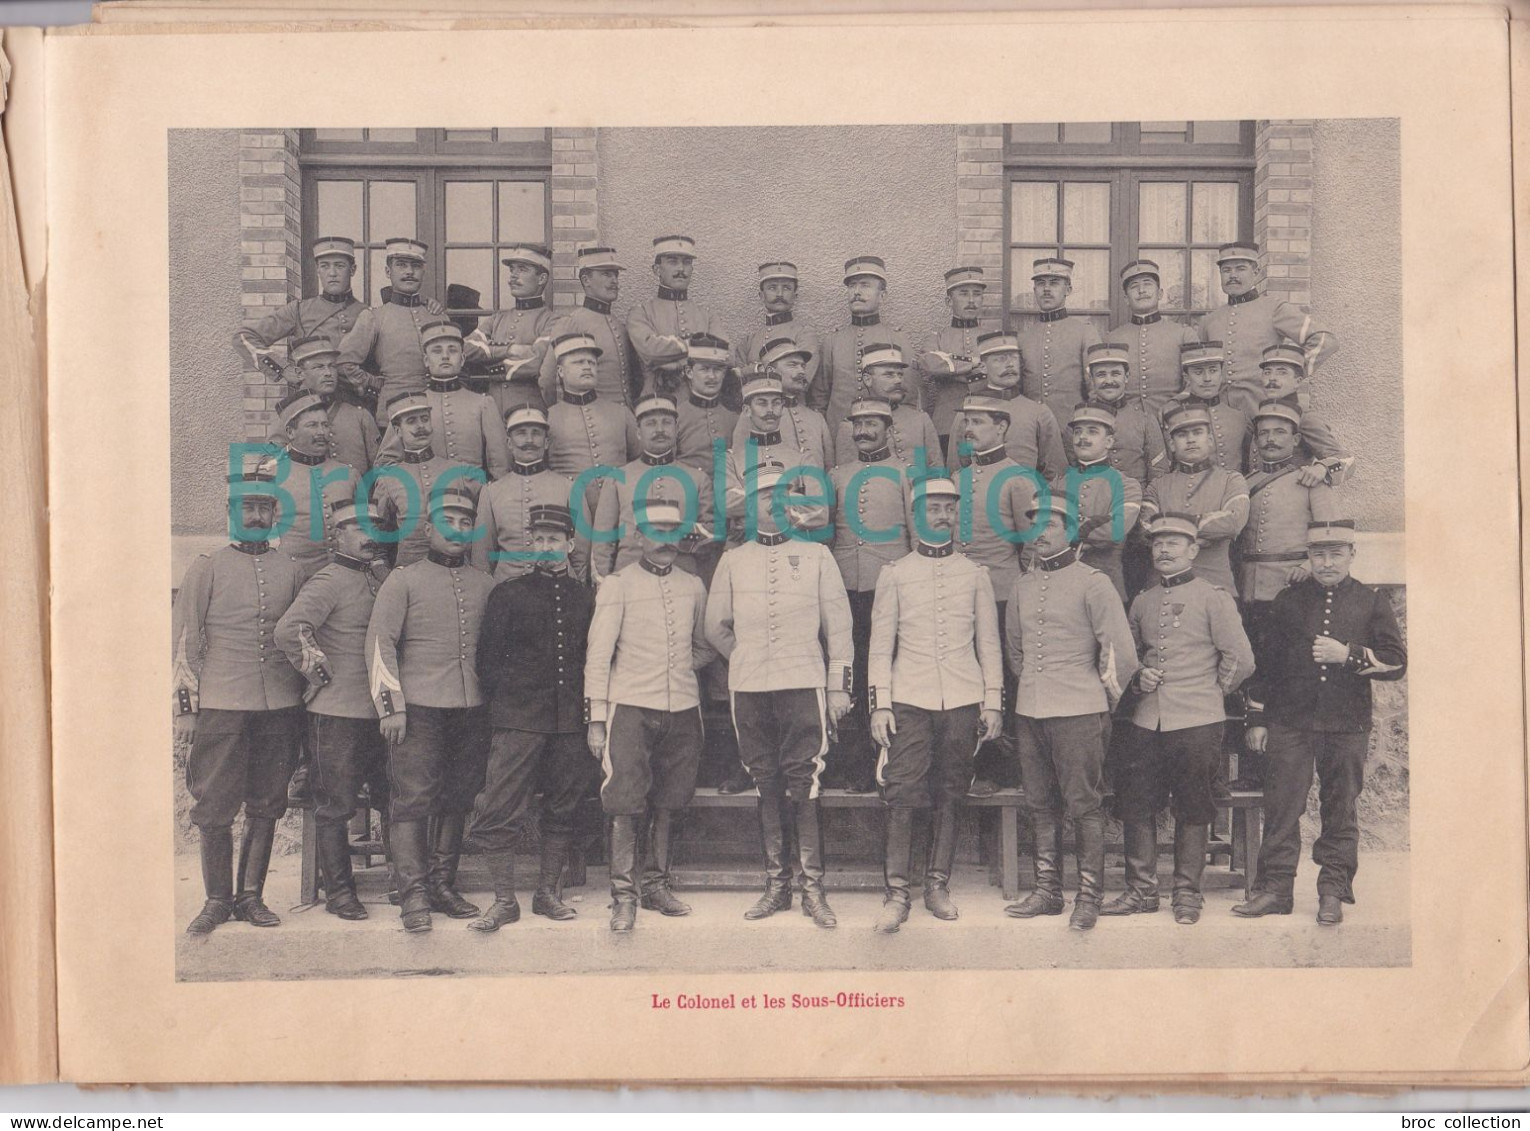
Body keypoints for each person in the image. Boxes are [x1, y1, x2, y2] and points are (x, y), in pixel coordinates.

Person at [1234, 519, 1406, 925]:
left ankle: (1333, 891)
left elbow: (1397, 662)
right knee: (1281, 806)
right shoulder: (1288, 601)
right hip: (1291, 721)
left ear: (1351, 555)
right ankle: (1275, 889)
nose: (1326, 562)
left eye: (1336, 554)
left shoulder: (1371, 601)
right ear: (1308, 557)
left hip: (1346, 723)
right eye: (1318, 554)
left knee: (1340, 806)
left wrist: (1348, 655)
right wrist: (1258, 718)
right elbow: (1266, 664)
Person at [705, 469, 855, 929]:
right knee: (764, 780)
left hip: (803, 681)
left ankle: (814, 889)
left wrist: (838, 686)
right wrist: (750, 657)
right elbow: (715, 627)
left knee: (804, 781)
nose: (771, 506)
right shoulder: (734, 560)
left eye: (781, 497)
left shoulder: (816, 556)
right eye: (761, 498)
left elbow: (840, 629)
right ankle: (776, 887)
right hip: (749, 686)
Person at [173, 454, 306, 934]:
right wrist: (187, 710)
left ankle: (251, 897)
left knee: (269, 800)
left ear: (274, 515)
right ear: (231, 513)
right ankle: (215, 900)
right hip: (223, 702)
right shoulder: (206, 567)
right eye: (246, 508)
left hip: (280, 705)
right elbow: (186, 642)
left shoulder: (290, 569)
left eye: (264, 508)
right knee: (214, 803)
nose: (255, 516)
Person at [867, 476, 1004, 931]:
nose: (942, 515)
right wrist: (880, 703)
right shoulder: (896, 573)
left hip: (963, 696)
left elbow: (989, 643)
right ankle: (896, 892)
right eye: (933, 508)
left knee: (951, 788)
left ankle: (937, 884)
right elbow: (880, 646)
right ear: (916, 514)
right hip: (909, 696)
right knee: (903, 791)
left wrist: (992, 701)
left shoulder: (975, 574)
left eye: (949, 508)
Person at [1105, 513, 1255, 924]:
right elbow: (1127, 656)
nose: (1164, 551)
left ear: (1194, 549)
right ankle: (1141, 891)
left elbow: (1240, 659)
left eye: (1174, 543)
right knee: (1137, 804)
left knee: (1193, 806)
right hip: (1146, 721)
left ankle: (1188, 893)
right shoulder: (1142, 601)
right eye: (1158, 544)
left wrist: (1210, 691)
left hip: (1198, 720)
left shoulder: (1213, 596)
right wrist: (1139, 678)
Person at [364, 485, 496, 932]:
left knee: (458, 797)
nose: (457, 531)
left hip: (470, 707)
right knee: (412, 800)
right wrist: (391, 706)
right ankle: (413, 894)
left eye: (465, 523)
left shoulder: (484, 583)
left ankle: (442, 885)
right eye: (448, 522)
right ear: (429, 527)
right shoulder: (404, 579)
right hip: (416, 707)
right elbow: (380, 644)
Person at [1002, 496, 1137, 931]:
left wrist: (1099, 703)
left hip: (1080, 708)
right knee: (1040, 803)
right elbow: (1016, 652)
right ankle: (1047, 892)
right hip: (1032, 709)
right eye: (1034, 525)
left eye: (1051, 525)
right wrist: (1037, 691)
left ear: (1071, 530)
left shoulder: (1093, 583)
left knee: (1084, 805)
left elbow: (1120, 654)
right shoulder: (1022, 585)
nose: (1040, 534)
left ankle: (1089, 896)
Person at [585, 499, 716, 932]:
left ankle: (656, 886)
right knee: (625, 798)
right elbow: (598, 657)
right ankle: (624, 896)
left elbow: (704, 645)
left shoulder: (693, 584)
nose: (664, 541)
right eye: (654, 532)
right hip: (629, 707)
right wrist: (597, 719)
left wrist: (674, 667)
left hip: (681, 706)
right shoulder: (618, 585)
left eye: (671, 531)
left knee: (671, 798)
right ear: (638, 537)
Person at [470, 504, 596, 930]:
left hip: (570, 723)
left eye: (554, 540)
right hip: (520, 719)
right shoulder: (508, 594)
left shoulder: (586, 598)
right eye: (539, 540)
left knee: (564, 806)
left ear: (570, 544)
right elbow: (487, 663)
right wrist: (509, 708)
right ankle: (504, 900)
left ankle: (546, 893)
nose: (546, 547)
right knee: (499, 807)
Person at [273, 500, 392, 920]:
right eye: (356, 527)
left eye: (375, 525)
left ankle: (404, 884)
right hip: (337, 713)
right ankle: (341, 893)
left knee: (393, 797)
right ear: (336, 536)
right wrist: (319, 674)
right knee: (335, 805)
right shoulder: (328, 580)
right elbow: (289, 629)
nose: (368, 534)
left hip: (382, 712)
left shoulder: (380, 578)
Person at [951, 393, 1043, 795]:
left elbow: (1034, 540)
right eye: (966, 421)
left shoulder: (1018, 477)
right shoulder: (957, 480)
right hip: (964, 595)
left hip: (1004, 593)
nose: (969, 429)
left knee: (1004, 678)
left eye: (978, 421)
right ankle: (976, 763)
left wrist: (1019, 585)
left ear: (1002, 427)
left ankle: (1006, 770)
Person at [828, 398, 913, 793]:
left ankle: (892, 761)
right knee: (849, 674)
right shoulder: (838, 475)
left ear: (888, 428)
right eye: (857, 424)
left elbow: (916, 535)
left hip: (888, 586)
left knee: (885, 674)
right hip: (845, 587)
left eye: (872, 424)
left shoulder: (904, 474)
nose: (863, 431)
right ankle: (854, 764)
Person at [1198, 241, 1339, 416]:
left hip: (1263, 412)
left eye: (1240, 269)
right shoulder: (1209, 321)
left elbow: (1325, 340)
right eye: (1226, 270)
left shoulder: (1274, 308)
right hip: (1220, 418)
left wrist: (1289, 374)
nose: (1232, 275)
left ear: (1256, 272)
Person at [590, 395, 714, 581]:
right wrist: (606, 583)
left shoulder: (698, 479)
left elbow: (711, 534)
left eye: (666, 423)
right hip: (628, 579)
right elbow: (603, 539)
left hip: (682, 579)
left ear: (677, 429)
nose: (659, 430)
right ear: (638, 432)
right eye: (650, 424)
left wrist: (673, 539)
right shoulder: (617, 479)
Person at [376, 320, 511, 482]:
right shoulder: (411, 405)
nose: (445, 356)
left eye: (452, 350)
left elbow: (501, 465)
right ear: (426, 360)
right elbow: (386, 462)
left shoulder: (482, 404)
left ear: (462, 360)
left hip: (472, 497)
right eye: (437, 351)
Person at [234, 235, 367, 394]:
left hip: (357, 405)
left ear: (352, 270)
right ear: (318, 270)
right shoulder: (298, 310)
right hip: (311, 406)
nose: (332, 273)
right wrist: (283, 369)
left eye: (339, 266)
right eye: (325, 266)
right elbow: (243, 338)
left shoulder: (368, 314)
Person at [1139, 403, 1250, 593]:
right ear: (1172, 445)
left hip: (1215, 586)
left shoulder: (1231, 480)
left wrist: (1171, 529)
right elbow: (1145, 530)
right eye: (1182, 435)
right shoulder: (1158, 485)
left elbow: (1233, 521)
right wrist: (1201, 532)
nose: (1190, 440)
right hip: (1162, 589)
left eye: (1197, 433)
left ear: (1210, 440)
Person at [469, 403, 582, 581]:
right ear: (509, 442)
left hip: (559, 590)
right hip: (508, 590)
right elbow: (482, 556)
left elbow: (580, 555)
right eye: (521, 433)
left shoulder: (569, 488)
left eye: (536, 433)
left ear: (546, 442)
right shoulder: (492, 492)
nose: (529, 440)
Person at [369, 392, 481, 569]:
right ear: (398, 431)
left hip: (459, 572)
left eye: (424, 419)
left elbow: (481, 531)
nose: (421, 426)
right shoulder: (388, 480)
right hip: (408, 575)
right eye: (411, 421)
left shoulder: (460, 473)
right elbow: (378, 545)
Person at [337, 237, 439, 425]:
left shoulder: (437, 316)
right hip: (393, 412)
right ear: (387, 271)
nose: (409, 272)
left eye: (416, 266)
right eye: (401, 265)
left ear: (423, 271)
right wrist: (376, 386)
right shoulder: (374, 317)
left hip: (436, 413)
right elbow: (344, 362)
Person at [945, 331, 1067, 480]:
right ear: (983, 367)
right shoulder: (966, 413)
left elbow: (1055, 472)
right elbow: (956, 469)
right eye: (1000, 359)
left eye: (1014, 358)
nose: (1009, 364)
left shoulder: (1038, 412)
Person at [1053, 401, 1142, 603]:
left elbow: (1116, 529)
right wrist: (1093, 525)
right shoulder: (1058, 483)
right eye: (1078, 432)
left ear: (1109, 441)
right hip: (1061, 587)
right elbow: (1042, 529)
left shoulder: (1127, 485)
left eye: (1092, 432)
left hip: (1107, 587)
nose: (1082, 438)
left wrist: (1063, 530)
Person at [816, 256, 917, 434]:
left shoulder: (898, 339)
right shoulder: (832, 341)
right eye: (852, 285)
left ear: (882, 295)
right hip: (840, 432)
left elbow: (909, 398)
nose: (856, 292)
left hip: (884, 436)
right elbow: (820, 398)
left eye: (865, 285)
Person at [543, 330, 641, 512]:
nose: (587, 367)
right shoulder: (548, 418)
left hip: (619, 508)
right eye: (579, 362)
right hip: (570, 510)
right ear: (561, 371)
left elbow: (640, 460)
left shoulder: (621, 412)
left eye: (592, 363)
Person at [269, 391, 361, 584]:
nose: (321, 432)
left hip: (344, 581)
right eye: (312, 425)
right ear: (291, 432)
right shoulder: (271, 477)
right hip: (294, 582)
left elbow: (366, 530)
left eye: (325, 425)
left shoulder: (349, 475)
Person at [537, 246, 641, 407]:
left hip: (625, 420)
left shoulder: (620, 326)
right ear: (586, 280)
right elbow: (547, 380)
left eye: (616, 275)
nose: (614, 281)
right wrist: (560, 416)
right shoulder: (571, 323)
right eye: (606, 274)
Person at [627, 235, 728, 398]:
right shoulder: (640, 312)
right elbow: (649, 351)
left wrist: (671, 363)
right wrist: (698, 346)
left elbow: (725, 354)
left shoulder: (707, 314)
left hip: (699, 404)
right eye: (673, 261)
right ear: (657, 270)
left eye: (687, 262)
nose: (681, 269)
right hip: (657, 402)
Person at [1013, 257, 1102, 441]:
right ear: (1034, 290)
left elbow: (1095, 388)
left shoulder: (1084, 332)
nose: (1046, 289)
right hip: (1030, 432)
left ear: (1068, 290)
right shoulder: (1023, 337)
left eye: (1054, 283)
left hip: (1071, 431)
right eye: (1040, 283)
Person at [464, 243, 557, 418]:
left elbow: (537, 363)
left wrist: (488, 366)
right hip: (493, 413)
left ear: (542, 278)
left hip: (530, 415)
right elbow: (466, 348)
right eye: (512, 270)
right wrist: (509, 350)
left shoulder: (553, 321)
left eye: (522, 269)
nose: (513, 276)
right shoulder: (497, 318)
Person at [1104, 259, 1200, 420]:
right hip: (1126, 423)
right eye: (1134, 286)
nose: (1141, 290)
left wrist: (1175, 403)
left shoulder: (1183, 334)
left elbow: (1197, 380)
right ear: (1126, 299)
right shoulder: (1113, 338)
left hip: (1172, 420)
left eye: (1147, 284)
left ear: (1160, 293)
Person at [1250, 344, 1355, 484]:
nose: (1272, 379)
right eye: (1267, 372)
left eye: (1282, 372)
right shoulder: (1259, 413)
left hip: (1293, 496)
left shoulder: (1305, 418)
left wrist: (1322, 468)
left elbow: (1346, 460)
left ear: (1297, 382)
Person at [918, 266, 994, 454]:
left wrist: (951, 367)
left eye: (977, 294)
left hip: (986, 425)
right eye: (963, 294)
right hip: (945, 423)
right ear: (948, 301)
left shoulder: (993, 338)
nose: (971, 300)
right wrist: (974, 363)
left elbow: (995, 372)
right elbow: (930, 364)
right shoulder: (937, 337)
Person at [832, 344, 941, 471]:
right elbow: (847, 475)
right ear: (867, 380)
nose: (898, 380)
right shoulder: (850, 426)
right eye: (889, 375)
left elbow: (936, 468)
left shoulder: (920, 420)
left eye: (900, 375)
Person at [733, 342, 836, 472]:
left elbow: (829, 469)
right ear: (771, 371)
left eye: (803, 366)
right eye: (792, 365)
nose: (801, 372)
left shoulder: (817, 418)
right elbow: (741, 464)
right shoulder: (752, 415)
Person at [1080, 341, 1167, 487]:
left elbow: (1159, 474)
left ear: (1126, 377)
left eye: (1116, 374)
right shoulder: (1079, 422)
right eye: (1101, 374)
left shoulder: (1145, 420)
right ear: (1092, 379)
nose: (1109, 381)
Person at [288, 335, 379, 475]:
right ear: (300, 373)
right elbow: (272, 465)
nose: (328, 373)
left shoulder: (360, 416)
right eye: (319, 367)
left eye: (332, 366)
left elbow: (380, 470)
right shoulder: (288, 417)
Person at [1176, 341, 1250, 474]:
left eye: (1213, 371)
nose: (1207, 378)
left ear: (1221, 374)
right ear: (1186, 377)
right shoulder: (1175, 418)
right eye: (1198, 372)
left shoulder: (1239, 417)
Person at [674, 333, 740, 469]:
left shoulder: (734, 417)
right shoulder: (676, 418)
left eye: (718, 369)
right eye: (704, 369)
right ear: (689, 372)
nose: (712, 376)